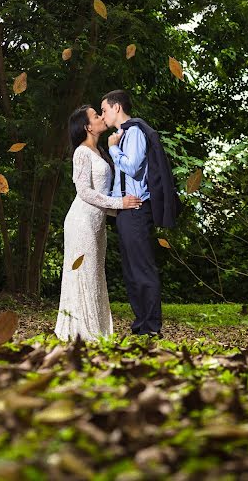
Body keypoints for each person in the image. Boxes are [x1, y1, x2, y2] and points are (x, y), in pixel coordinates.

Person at [54, 105, 142, 341]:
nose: (101, 117)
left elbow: (105, 193)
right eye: (96, 116)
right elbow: (84, 192)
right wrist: (120, 204)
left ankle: (98, 330)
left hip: (98, 223)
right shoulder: (82, 153)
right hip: (81, 221)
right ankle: (82, 332)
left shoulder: (101, 151)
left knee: (95, 274)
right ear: (87, 127)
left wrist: (125, 210)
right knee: (83, 273)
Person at [101, 90, 162, 337]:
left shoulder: (134, 132)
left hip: (136, 210)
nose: (103, 115)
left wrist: (113, 150)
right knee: (130, 271)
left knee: (142, 269)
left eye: (104, 109)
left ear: (117, 108)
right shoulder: (122, 135)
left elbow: (134, 168)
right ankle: (141, 325)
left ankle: (151, 327)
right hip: (125, 211)